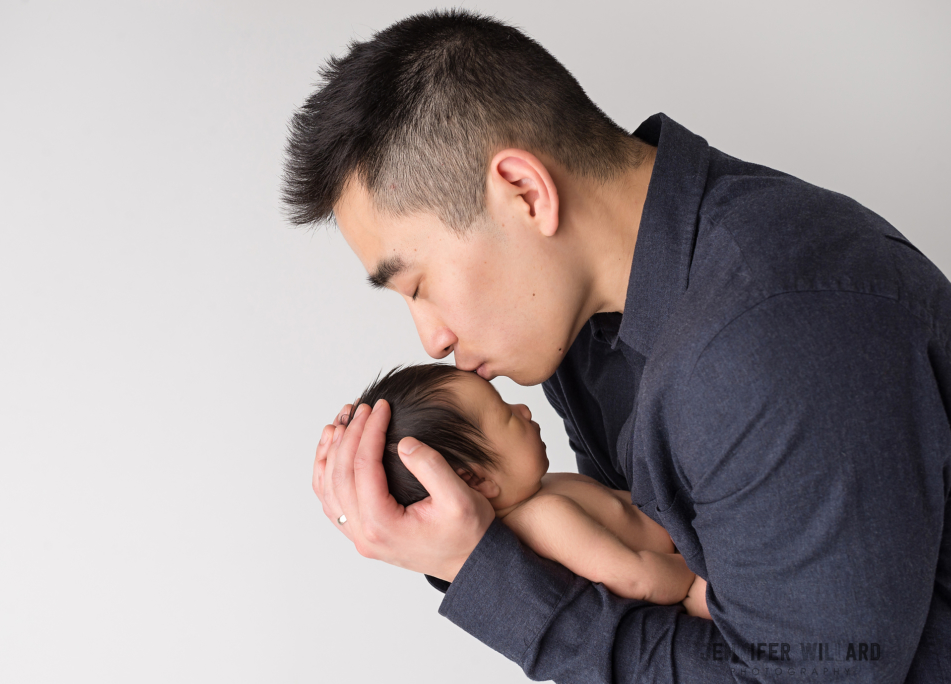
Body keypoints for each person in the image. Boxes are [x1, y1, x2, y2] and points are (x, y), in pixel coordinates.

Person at [287, 9, 951, 683]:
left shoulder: (771, 337)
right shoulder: (587, 332)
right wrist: (462, 539)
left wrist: (484, 574)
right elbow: (632, 584)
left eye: (419, 284)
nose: (432, 337)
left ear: (524, 192)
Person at [347, 363, 711, 617]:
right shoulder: (543, 518)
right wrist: (694, 580)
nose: (523, 409)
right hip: (684, 587)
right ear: (476, 480)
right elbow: (633, 577)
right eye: (505, 413)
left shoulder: (540, 491)